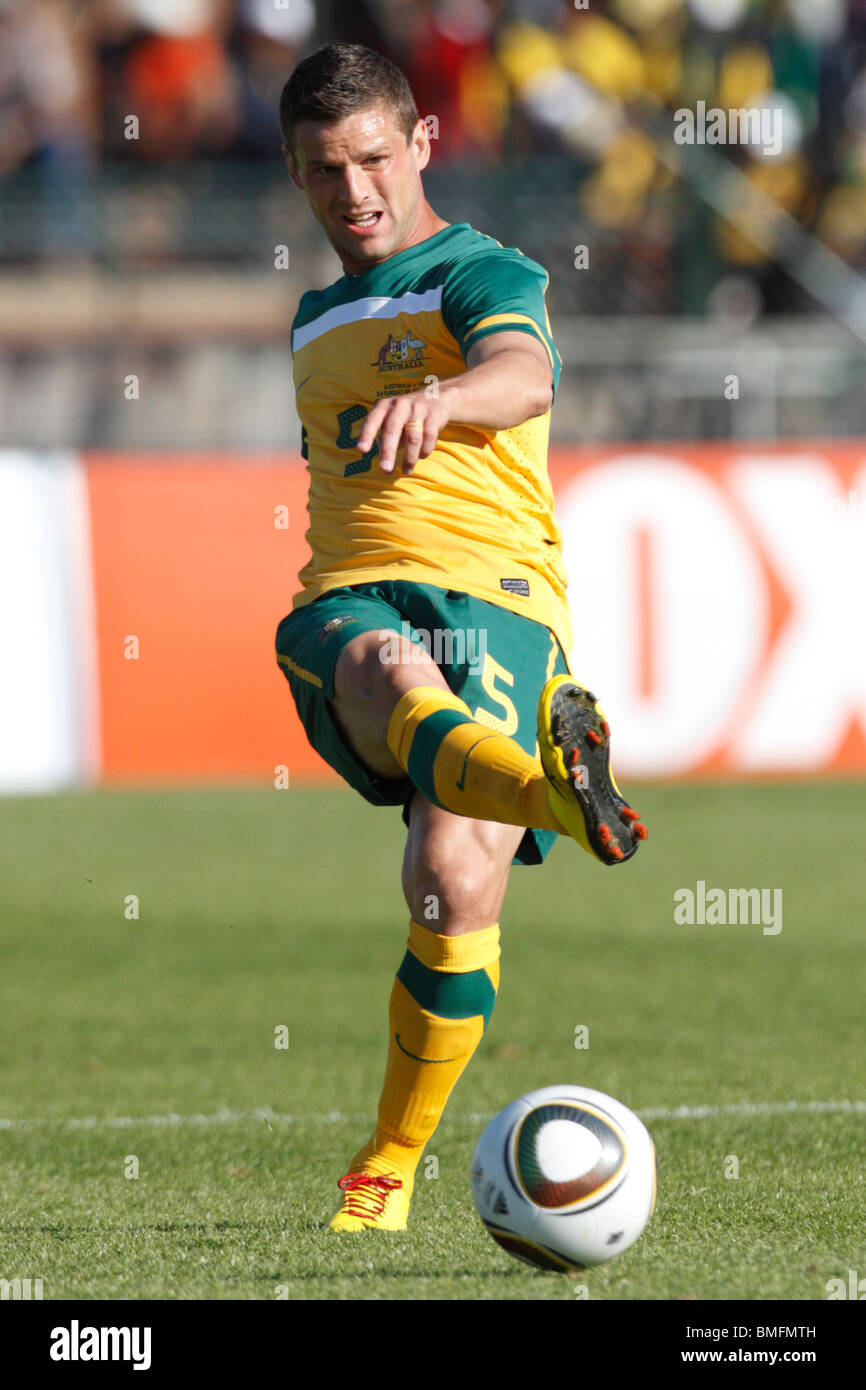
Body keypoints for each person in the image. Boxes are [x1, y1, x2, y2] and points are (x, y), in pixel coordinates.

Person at [275, 42, 647, 1233]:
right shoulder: (313, 315)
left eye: (374, 158)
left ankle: (384, 1169)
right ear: (296, 172)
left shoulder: (481, 269)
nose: (355, 192)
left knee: (448, 881)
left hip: (497, 599)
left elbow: (523, 376)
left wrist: (442, 396)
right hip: (352, 597)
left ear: (422, 140)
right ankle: (557, 792)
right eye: (325, 170)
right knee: (388, 671)